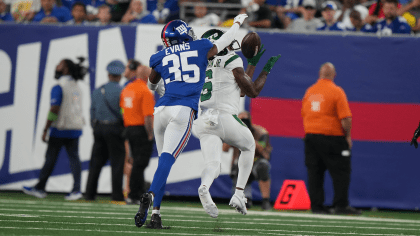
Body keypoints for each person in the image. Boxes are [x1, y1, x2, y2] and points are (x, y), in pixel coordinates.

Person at [133, 14, 249, 229]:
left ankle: (155, 216)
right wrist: (237, 22)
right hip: (182, 110)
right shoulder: (200, 47)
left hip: (161, 110)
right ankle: (150, 194)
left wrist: (165, 88)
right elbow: (227, 39)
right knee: (166, 162)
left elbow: (151, 85)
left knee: (162, 165)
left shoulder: (159, 56)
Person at [191, 29, 280, 217]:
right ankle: (239, 194)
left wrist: (252, 66)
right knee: (248, 146)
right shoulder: (232, 60)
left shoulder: (201, 63)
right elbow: (251, 91)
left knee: (213, 163)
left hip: (203, 120)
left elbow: (238, 89)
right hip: (224, 116)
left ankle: (205, 186)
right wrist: (265, 70)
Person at [301, 62, 361, 215]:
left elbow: (304, 114)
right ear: (334, 75)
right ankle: (340, 205)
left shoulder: (310, 92)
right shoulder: (336, 91)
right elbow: (346, 118)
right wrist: (347, 136)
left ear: (320, 74)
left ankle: (317, 207)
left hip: (311, 138)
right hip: (333, 138)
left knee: (315, 173)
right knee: (341, 172)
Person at [23, 58, 87, 201]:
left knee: (51, 158)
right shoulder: (77, 86)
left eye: (59, 64)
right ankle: (76, 189)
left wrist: (46, 128)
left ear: (65, 69)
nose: (56, 66)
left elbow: (54, 108)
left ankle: (40, 187)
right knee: (74, 159)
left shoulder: (59, 86)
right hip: (75, 128)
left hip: (60, 127)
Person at [85, 60, 126, 202]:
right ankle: (116, 196)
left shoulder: (98, 90)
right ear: (120, 75)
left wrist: (95, 127)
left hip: (99, 128)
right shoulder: (122, 91)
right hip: (115, 129)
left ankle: (89, 194)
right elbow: (123, 113)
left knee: (95, 163)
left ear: (108, 74)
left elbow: (92, 111)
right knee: (117, 163)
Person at [222, 111, 273, 211]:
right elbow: (224, 149)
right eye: (240, 121)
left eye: (245, 121)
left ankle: (265, 200)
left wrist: (248, 137)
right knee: (238, 166)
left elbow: (264, 152)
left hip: (257, 162)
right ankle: (245, 198)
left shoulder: (261, 132)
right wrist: (232, 135)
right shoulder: (234, 132)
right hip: (240, 164)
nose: (243, 123)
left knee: (264, 166)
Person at [120, 60, 155, 205]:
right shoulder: (145, 91)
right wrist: (150, 133)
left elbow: (122, 110)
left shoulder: (127, 89)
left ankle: (137, 192)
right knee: (140, 163)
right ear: (147, 76)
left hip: (129, 128)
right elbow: (147, 116)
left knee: (136, 162)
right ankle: (135, 194)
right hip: (140, 129)